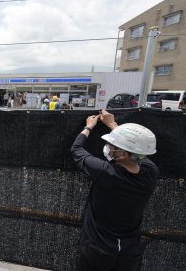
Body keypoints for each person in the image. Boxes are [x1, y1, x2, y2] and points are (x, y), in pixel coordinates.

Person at [71, 110, 159, 271]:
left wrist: (88, 127)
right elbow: (138, 151)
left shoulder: (105, 172)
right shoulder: (151, 174)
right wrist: (113, 125)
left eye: (112, 145)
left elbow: (76, 149)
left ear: (123, 154)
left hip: (97, 252)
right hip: (129, 254)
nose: (108, 147)